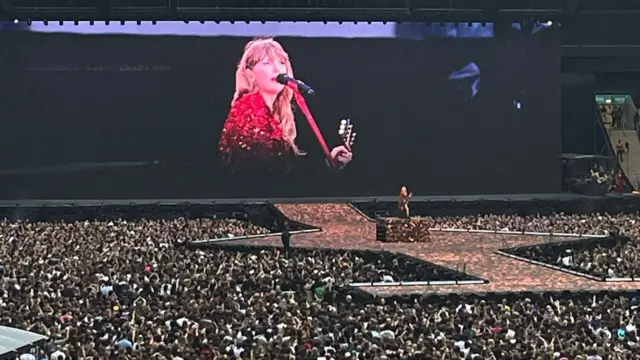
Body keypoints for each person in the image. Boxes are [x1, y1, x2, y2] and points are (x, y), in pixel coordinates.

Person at [218, 38, 353, 174]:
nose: (277, 69)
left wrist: (329, 162)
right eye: (267, 63)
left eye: (281, 63)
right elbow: (265, 174)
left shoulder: (281, 112)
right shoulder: (246, 110)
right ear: (250, 73)